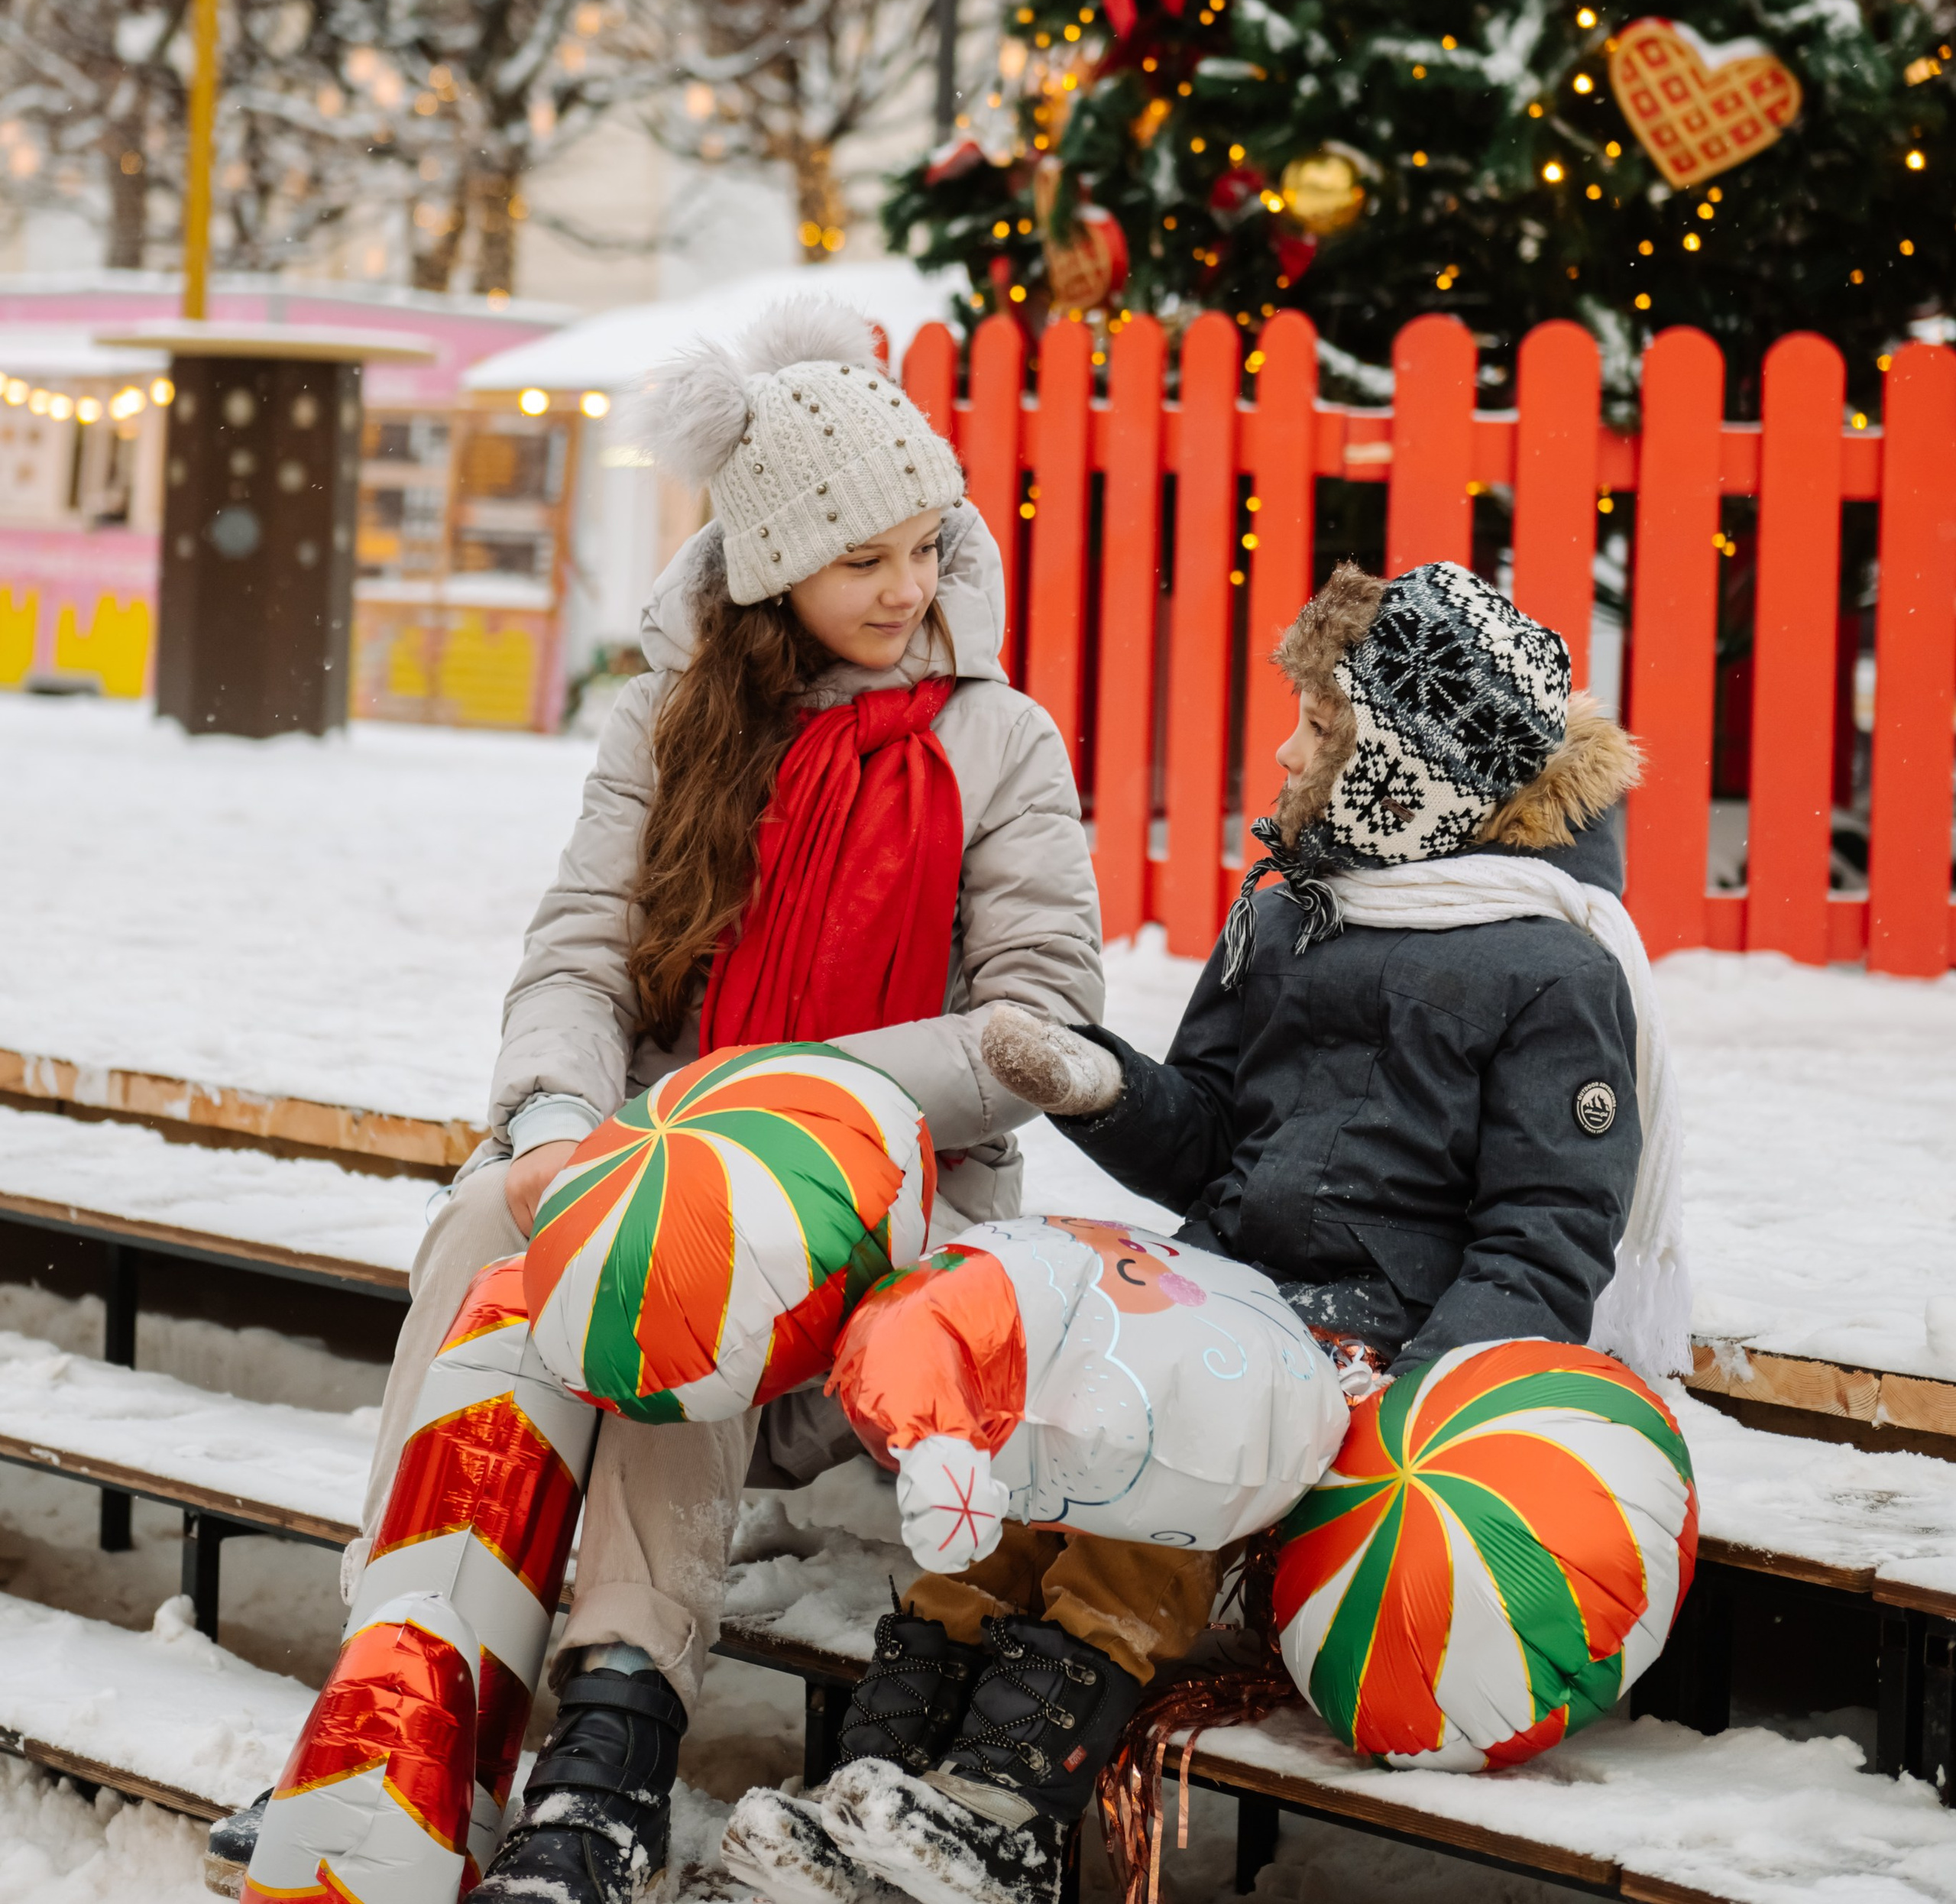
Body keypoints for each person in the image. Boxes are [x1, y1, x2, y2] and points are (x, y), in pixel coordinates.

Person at [205, 300, 1106, 1904]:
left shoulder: (996, 739)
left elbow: (1036, 1025)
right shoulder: (673, 720)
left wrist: (762, 1104)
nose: (908, 589)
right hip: (653, 1160)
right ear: (769, 569)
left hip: (898, 1230)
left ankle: (612, 1747)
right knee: (500, 1206)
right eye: (863, 561)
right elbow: (575, 957)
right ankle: (390, 1704)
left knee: (692, 1234)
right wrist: (559, 1121)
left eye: (926, 545)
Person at [729, 558, 1685, 1904]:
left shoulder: (1551, 969)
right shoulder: (1290, 907)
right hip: (1233, 1296)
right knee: (1037, 1420)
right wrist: (1102, 1085)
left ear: (1399, 765)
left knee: (1157, 1454)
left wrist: (1419, 1407)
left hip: (1381, 1350)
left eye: (1321, 724)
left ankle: (1004, 1802)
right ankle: (878, 1778)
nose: (1288, 749)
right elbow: (1212, 1134)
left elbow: (1543, 1240)